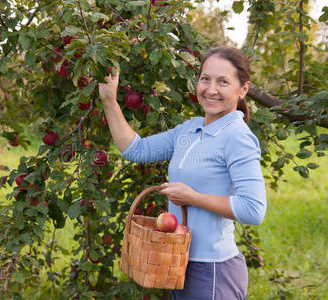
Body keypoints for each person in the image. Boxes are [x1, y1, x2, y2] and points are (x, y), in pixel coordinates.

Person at [99, 46, 267, 300]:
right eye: (205, 79)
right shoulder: (189, 129)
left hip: (212, 270)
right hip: (177, 261)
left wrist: (193, 197)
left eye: (223, 81)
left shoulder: (237, 137)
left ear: (243, 89)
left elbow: (253, 210)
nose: (211, 89)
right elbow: (137, 149)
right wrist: (109, 100)